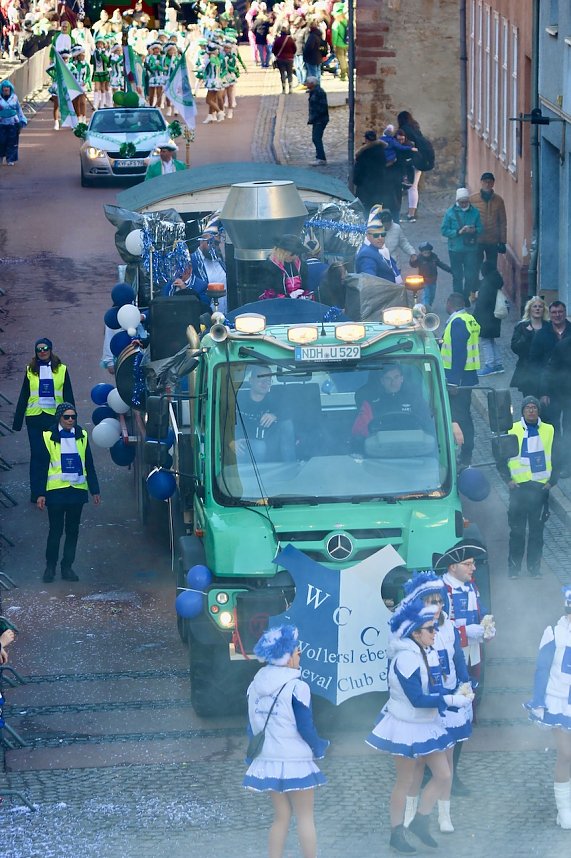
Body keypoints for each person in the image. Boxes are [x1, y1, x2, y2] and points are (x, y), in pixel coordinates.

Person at [366, 598, 468, 855]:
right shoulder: (406, 659)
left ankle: (421, 820)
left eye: (434, 628)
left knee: (444, 775)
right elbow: (416, 699)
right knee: (405, 781)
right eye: (430, 629)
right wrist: (450, 700)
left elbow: (433, 689)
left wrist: (456, 695)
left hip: (425, 723)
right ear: (415, 633)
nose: (435, 632)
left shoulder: (425, 652)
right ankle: (396, 832)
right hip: (406, 725)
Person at [243, 624, 329, 858]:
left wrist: (253, 755)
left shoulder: (254, 686)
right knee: (305, 817)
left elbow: (252, 726)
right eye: (297, 651)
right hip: (295, 760)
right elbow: (306, 727)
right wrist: (319, 747)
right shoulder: (297, 687)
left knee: (281, 817)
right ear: (288, 656)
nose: (300, 655)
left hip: (268, 759)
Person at [397, 573, 473, 835]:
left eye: (440, 601)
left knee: (447, 762)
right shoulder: (410, 631)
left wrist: (465, 684)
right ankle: (410, 814)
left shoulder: (448, 626)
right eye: (432, 601)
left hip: (449, 698)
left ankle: (444, 814)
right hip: (425, 703)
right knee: (418, 763)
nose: (438, 606)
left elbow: (457, 658)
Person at [434, 540, 493, 795]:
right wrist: (467, 632)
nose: (473, 568)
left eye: (473, 564)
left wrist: (487, 626)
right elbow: (435, 629)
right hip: (448, 663)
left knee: (464, 715)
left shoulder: (471, 586)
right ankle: (440, 774)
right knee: (447, 716)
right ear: (453, 566)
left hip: (471, 657)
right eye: (468, 564)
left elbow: (481, 612)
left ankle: (450, 773)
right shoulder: (440, 591)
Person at [33, 402, 101, 583]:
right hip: (56, 492)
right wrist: (40, 493)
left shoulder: (82, 435)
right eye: (67, 417)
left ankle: (67, 567)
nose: (70, 420)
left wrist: (95, 490)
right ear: (59, 418)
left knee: (72, 531)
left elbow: (89, 464)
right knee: (55, 531)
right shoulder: (48, 436)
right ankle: (50, 567)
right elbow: (41, 467)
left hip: (77, 491)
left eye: (73, 417)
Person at [525, 585, 571, 830]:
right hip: (559, 701)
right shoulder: (554, 632)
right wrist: (538, 700)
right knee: (566, 753)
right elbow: (542, 668)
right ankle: (564, 810)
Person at [498, 396, 555, 578]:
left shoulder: (549, 430)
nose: (531, 410)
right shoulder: (512, 429)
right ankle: (514, 569)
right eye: (528, 408)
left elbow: (557, 456)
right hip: (519, 490)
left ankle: (534, 569)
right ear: (522, 411)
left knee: (537, 533)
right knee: (517, 532)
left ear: (538, 411)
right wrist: (508, 480)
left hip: (540, 490)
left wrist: (552, 481)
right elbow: (501, 458)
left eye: (534, 407)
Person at [12, 338, 75, 502]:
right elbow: (24, 395)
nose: (42, 352)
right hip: (34, 418)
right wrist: (17, 421)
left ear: (50, 349)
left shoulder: (61, 369)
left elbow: (68, 394)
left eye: (45, 348)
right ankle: (37, 492)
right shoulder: (30, 370)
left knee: (54, 454)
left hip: (53, 418)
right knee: (37, 455)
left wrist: (71, 419)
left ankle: (53, 489)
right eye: (39, 349)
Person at [352, 363, 433, 450]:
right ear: (382, 381)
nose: (393, 383)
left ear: (402, 379)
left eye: (396, 377)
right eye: (388, 378)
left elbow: (429, 428)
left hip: (414, 450)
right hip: (380, 452)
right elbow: (358, 433)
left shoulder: (416, 401)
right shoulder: (370, 404)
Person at [441, 292, 480, 466]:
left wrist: (453, 382)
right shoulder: (468, 319)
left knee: (460, 417)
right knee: (464, 415)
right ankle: (466, 452)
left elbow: (459, 353)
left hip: (459, 380)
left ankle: (464, 454)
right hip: (468, 377)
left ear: (449, 303)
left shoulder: (457, 322)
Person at [231, 365, 295, 463]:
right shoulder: (237, 399)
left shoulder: (275, 399)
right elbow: (223, 421)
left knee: (287, 424)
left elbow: (292, 412)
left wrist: (275, 416)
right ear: (251, 380)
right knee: (259, 446)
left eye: (268, 379)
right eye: (261, 378)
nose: (265, 383)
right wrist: (230, 441)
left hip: (270, 444)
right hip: (244, 446)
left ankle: (290, 466)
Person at [533, 301, 571, 459]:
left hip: (569, 390)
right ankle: (557, 458)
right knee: (552, 425)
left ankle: (567, 459)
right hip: (553, 389)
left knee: (569, 426)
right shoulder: (542, 334)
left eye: (560, 312)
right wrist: (543, 391)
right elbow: (536, 364)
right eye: (554, 312)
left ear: (565, 312)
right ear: (550, 314)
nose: (557, 315)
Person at [440, 188, 483, 306]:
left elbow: (480, 228)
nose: (464, 204)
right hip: (455, 249)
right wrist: (458, 232)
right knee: (457, 276)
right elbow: (444, 230)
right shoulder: (450, 213)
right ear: (457, 201)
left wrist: (474, 230)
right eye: (461, 202)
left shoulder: (475, 212)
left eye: (466, 201)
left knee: (470, 275)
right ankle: (457, 300)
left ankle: (465, 296)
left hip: (471, 249)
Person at [396, 111, 435, 222]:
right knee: (414, 187)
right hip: (420, 160)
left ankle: (411, 214)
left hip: (411, 162)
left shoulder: (404, 130)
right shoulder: (415, 128)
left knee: (410, 187)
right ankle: (412, 212)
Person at [510, 296, 550, 397]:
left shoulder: (549, 326)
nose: (537, 309)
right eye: (535, 306)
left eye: (540, 307)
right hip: (527, 370)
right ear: (529, 309)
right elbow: (515, 347)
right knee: (530, 400)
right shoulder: (521, 326)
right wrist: (527, 335)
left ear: (543, 309)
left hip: (545, 370)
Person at [473, 260, 505, 376]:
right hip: (494, 318)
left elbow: (482, 303)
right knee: (491, 340)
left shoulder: (486, 284)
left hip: (486, 318)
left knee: (486, 341)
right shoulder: (495, 281)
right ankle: (498, 363)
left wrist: (474, 317)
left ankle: (490, 365)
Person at [469, 172, 507, 269]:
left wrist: (502, 241)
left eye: (490, 182)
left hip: (492, 240)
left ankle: (489, 279)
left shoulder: (499, 200)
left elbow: (502, 222)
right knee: (475, 266)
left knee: (492, 267)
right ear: (481, 182)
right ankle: (475, 279)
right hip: (477, 239)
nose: (487, 184)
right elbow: (467, 218)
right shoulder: (473, 199)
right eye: (485, 181)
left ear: (493, 183)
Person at [355, 206, 402, 283]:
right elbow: (370, 281)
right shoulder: (367, 255)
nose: (380, 238)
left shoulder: (379, 249)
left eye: (382, 234)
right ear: (367, 235)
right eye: (376, 235)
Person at [352, 132, 391, 216]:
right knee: (376, 210)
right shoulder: (381, 151)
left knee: (365, 211)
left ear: (366, 140)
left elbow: (359, 170)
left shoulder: (364, 153)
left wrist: (356, 181)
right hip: (379, 186)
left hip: (365, 187)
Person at [410, 240, 451, 309]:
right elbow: (414, 265)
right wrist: (412, 261)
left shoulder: (434, 257)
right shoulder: (419, 258)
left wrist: (449, 270)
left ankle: (429, 306)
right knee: (426, 294)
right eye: (425, 253)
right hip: (424, 280)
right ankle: (425, 308)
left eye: (428, 252)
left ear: (430, 251)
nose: (427, 254)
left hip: (433, 280)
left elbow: (441, 264)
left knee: (432, 295)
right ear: (421, 252)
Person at [0, 79, 27, 166]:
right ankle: (1, 157)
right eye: (4, 87)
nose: (6, 89)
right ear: (2, 88)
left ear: (10, 88)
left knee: (12, 142)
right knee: (1, 141)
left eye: (8, 87)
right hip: (1, 123)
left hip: (13, 123)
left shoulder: (14, 97)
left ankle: (10, 159)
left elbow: (19, 109)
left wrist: (22, 120)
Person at [305, 75, 328, 166]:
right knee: (316, 138)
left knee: (316, 138)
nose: (306, 84)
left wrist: (316, 117)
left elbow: (321, 107)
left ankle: (321, 158)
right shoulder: (314, 91)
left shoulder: (318, 92)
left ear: (312, 84)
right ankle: (320, 157)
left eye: (307, 83)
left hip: (320, 119)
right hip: (317, 119)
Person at [272, 25, 296, 94]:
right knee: (290, 73)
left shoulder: (278, 40)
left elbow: (274, 50)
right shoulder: (290, 39)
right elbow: (294, 49)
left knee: (282, 73)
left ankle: (283, 89)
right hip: (289, 59)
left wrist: (277, 55)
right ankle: (290, 89)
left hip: (281, 59)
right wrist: (291, 54)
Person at [331, 3, 348, 82]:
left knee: (341, 60)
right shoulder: (346, 21)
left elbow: (334, 36)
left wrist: (333, 45)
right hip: (346, 43)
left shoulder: (336, 23)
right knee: (344, 58)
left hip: (338, 44)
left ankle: (343, 75)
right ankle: (346, 74)